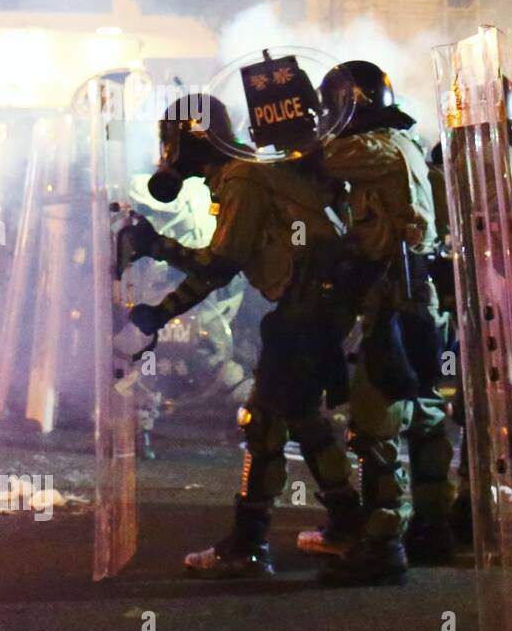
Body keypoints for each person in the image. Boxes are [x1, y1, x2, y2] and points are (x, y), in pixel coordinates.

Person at [124, 94, 357, 578]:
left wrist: (158, 254)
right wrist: (160, 307)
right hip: (316, 309)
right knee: (300, 418)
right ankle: (347, 526)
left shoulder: (242, 178)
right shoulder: (249, 171)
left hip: (302, 313)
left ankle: (248, 547)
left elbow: (220, 264)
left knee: (264, 425)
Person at [302, 60, 454, 582]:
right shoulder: (395, 145)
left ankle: (384, 541)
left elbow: (328, 156)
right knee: (427, 412)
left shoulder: (377, 147)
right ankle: (434, 527)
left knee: (375, 420)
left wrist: (297, 125)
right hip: (412, 293)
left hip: (397, 295)